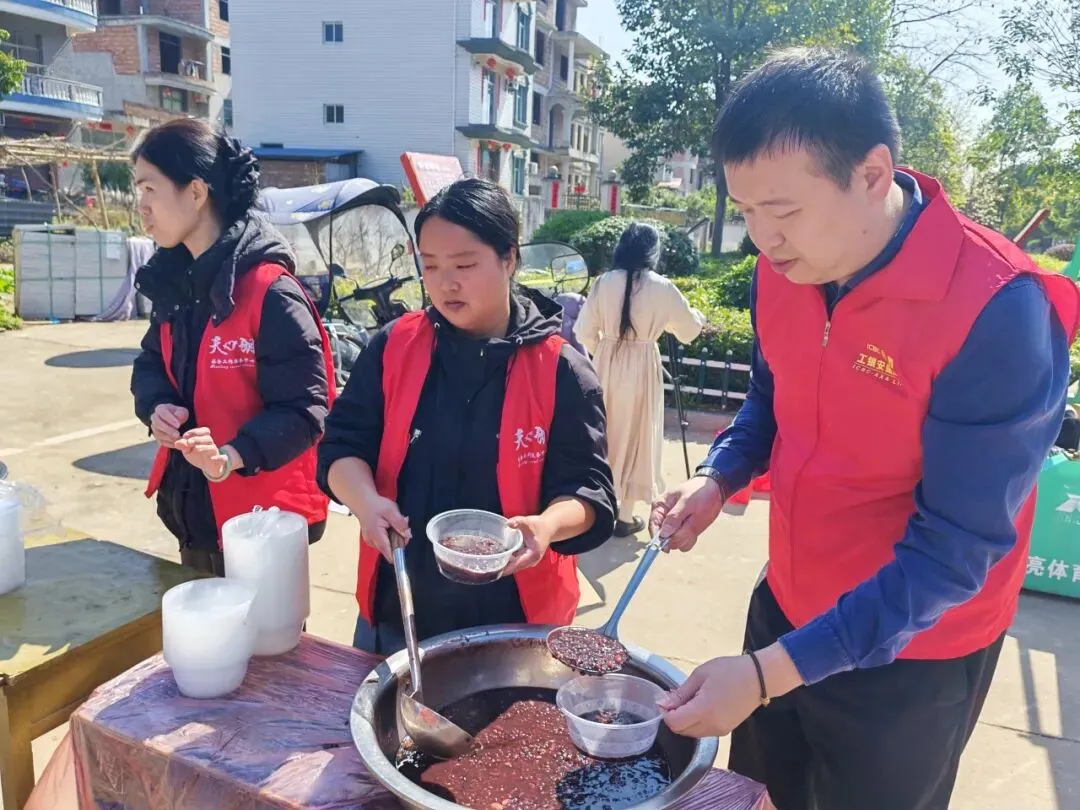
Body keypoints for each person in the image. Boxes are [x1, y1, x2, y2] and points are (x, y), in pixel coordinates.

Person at [650, 48, 1080, 810]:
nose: (761, 242)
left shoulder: (998, 311)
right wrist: (717, 478)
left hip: (913, 651)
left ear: (873, 174)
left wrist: (760, 676)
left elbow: (955, 553)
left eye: (780, 212)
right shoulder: (781, 274)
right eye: (745, 212)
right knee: (760, 795)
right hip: (787, 602)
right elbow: (768, 405)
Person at [317, 178, 616, 655]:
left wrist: (545, 527)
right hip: (400, 602)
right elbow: (342, 447)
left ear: (509, 259)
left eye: (464, 265)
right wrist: (365, 502)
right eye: (430, 265)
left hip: (516, 617)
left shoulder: (561, 371)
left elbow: (588, 491)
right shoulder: (394, 346)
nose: (444, 283)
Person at [130, 119, 335, 575]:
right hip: (194, 512)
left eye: (149, 189)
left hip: (261, 525)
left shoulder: (271, 292)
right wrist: (157, 406)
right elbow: (150, 363)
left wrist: (230, 456)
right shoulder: (173, 283)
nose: (140, 205)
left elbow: (306, 410)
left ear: (197, 193)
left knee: (269, 644)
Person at [575, 222, 704, 536]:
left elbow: (583, 332)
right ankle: (625, 514)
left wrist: (605, 350)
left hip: (605, 363)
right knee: (637, 433)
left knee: (603, 431)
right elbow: (689, 331)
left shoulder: (604, 282)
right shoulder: (662, 286)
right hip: (643, 365)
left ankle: (595, 504)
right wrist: (697, 317)